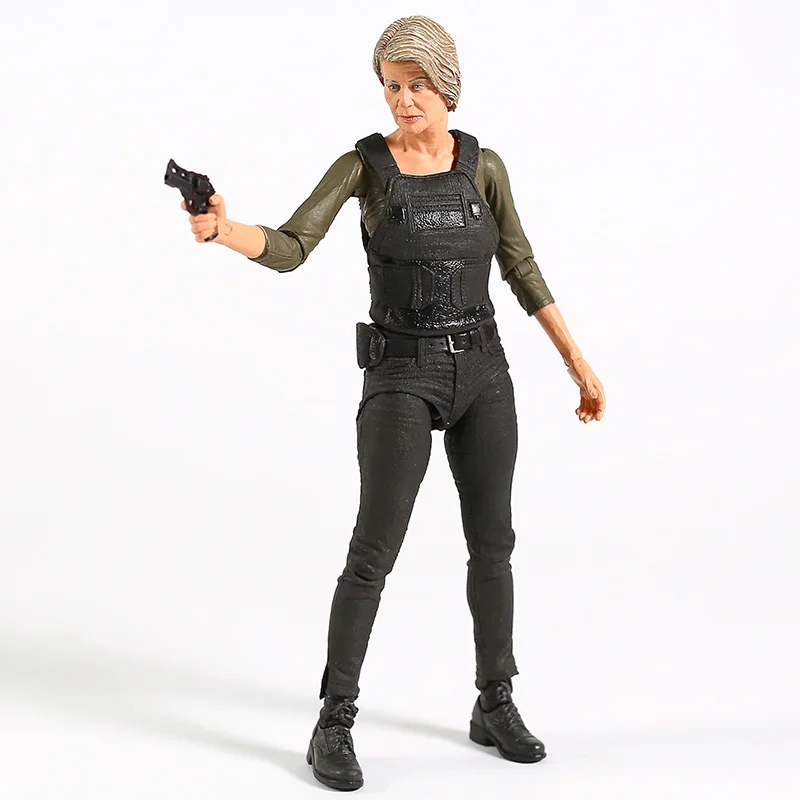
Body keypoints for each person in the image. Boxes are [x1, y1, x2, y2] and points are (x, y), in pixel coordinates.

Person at [180, 14, 605, 792]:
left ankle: (495, 701)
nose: (403, 100)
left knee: (494, 544)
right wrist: (224, 229)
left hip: (484, 371)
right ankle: (333, 722)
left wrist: (577, 362)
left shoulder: (484, 167)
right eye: (390, 85)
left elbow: (519, 263)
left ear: (447, 85)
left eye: (416, 84)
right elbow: (292, 246)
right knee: (373, 551)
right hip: (402, 373)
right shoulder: (364, 166)